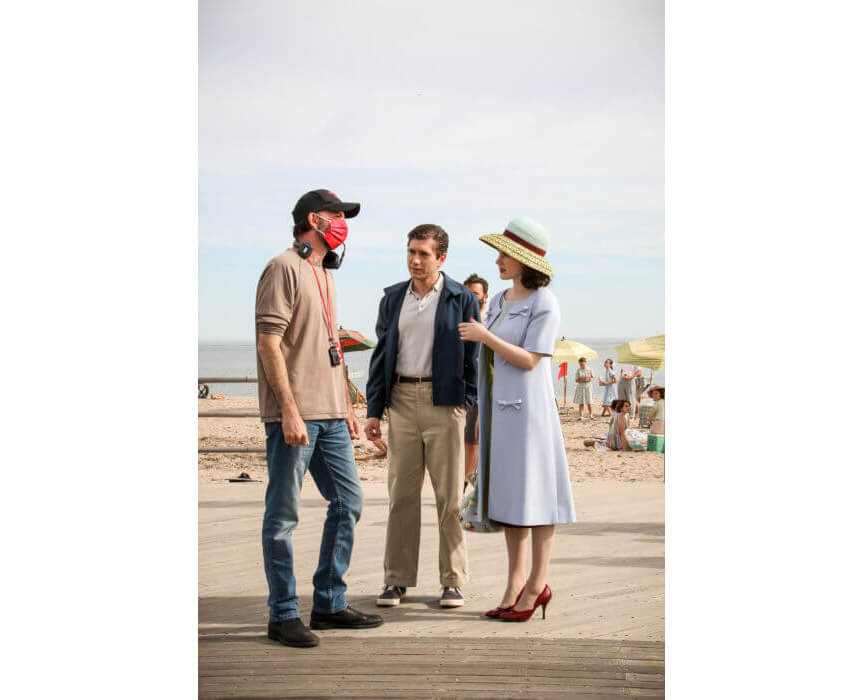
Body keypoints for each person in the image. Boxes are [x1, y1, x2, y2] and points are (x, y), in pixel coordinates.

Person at [255, 189, 383, 648]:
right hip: (296, 417)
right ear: (315, 219)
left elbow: (333, 346)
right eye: (338, 215)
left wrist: (346, 403)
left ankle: (328, 603)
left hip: (330, 414)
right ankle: (282, 614)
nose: (344, 222)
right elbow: (269, 343)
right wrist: (288, 410)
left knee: (349, 503)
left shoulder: (324, 273)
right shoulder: (284, 267)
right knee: (283, 517)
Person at [458, 216, 577, 623]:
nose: (498, 261)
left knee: (539, 499)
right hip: (499, 415)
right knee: (511, 501)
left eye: (504, 254)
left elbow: (529, 360)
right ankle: (514, 583)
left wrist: (485, 336)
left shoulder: (545, 304)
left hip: (531, 416)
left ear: (525, 260)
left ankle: (536, 585)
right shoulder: (499, 300)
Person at [365, 224, 480, 609]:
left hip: (444, 404)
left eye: (424, 254)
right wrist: (374, 409)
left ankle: (453, 580)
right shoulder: (392, 298)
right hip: (400, 400)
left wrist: (465, 403)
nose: (415, 260)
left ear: (441, 258)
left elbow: (473, 360)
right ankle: (396, 580)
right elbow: (382, 355)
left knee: (449, 497)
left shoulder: (461, 298)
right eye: (411, 252)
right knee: (401, 496)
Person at [462, 273, 490, 489]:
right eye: (467, 293)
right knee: (469, 437)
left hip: (490, 384)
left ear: (485, 296)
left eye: (475, 294)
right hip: (468, 385)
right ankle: (466, 482)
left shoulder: (491, 320)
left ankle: (482, 483)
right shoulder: (461, 320)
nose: (471, 297)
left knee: (486, 438)